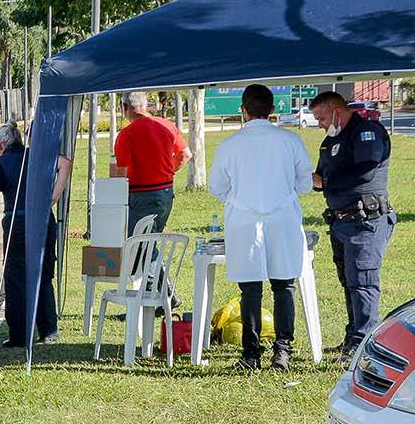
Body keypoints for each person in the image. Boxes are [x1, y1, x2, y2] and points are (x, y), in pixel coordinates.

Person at [208, 84, 313, 369]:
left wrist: (239, 198)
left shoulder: (230, 145)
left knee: (250, 289)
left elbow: (216, 187)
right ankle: (283, 350)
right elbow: (305, 184)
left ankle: (251, 354)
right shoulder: (290, 140)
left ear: (242, 110)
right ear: (273, 109)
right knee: (284, 285)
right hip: (283, 218)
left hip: (244, 220)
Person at [0, 122, 72, 349]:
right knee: (43, 275)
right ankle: (48, 331)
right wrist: (53, 197)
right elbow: (65, 163)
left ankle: (19, 335)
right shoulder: (35, 156)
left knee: (15, 279)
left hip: (17, 222)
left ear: (0, 145)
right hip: (43, 220)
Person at [311, 90, 394, 357]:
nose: (320, 124)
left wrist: (326, 182)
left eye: (322, 117)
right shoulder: (330, 142)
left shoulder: (366, 132)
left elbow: (366, 169)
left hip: (365, 221)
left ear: (337, 110)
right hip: (340, 222)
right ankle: (353, 338)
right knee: (349, 282)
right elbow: (320, 176)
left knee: (364, 281)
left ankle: (365, 344)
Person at [114, 90, 192, 234]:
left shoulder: (126, 134)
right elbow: (185, 154)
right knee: (151, 241)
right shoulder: (167, 125)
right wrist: (165, 171)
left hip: (141, 195)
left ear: (125, 107)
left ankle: (153, 258)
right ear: (145, 104)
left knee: (139, 246)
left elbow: (120, 172)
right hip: (166, 192)